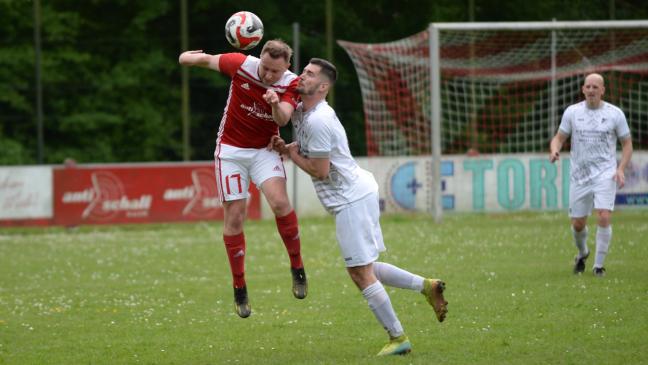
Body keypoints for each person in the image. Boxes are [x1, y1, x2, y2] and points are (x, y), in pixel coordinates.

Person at [270, 58, 448, 356]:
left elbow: (321, 171)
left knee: (359, 272)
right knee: (367, 266)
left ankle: (398, 338)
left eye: (310, 74)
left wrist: (290, 154)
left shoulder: (319, 120)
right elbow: (281, 97)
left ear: (323, 86)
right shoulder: (303, 110)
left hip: (351, 199)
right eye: (303, 71)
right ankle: (427, 286)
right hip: (356, 194)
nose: (302, 76)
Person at [178, 40, 307, 318]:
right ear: (259, 57)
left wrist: (274, 103)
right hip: (231, 151)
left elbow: (283, 118)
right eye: (266, 67)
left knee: (280, 203)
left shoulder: (291, 83)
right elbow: (208, 60)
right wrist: (185, 57)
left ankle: (297, 267)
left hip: (264, 150)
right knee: (235, 217)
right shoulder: (241, 65)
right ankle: (239, 286)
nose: (269, 75)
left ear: (286, 67)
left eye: (275, 71)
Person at [549, 73, 633, 277]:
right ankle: (582, 253)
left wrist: (620, 168)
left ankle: (598, 266)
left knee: (604, 215)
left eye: (596, 87)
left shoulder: (615, 114)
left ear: (603, 90)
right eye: (588, 86)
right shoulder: (572, 112)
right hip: (579, 175)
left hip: (605, 173)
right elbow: (559, 138)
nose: (591, 90)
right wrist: (554, 150)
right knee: (578, 224)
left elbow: (627, 144)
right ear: (583, 89)